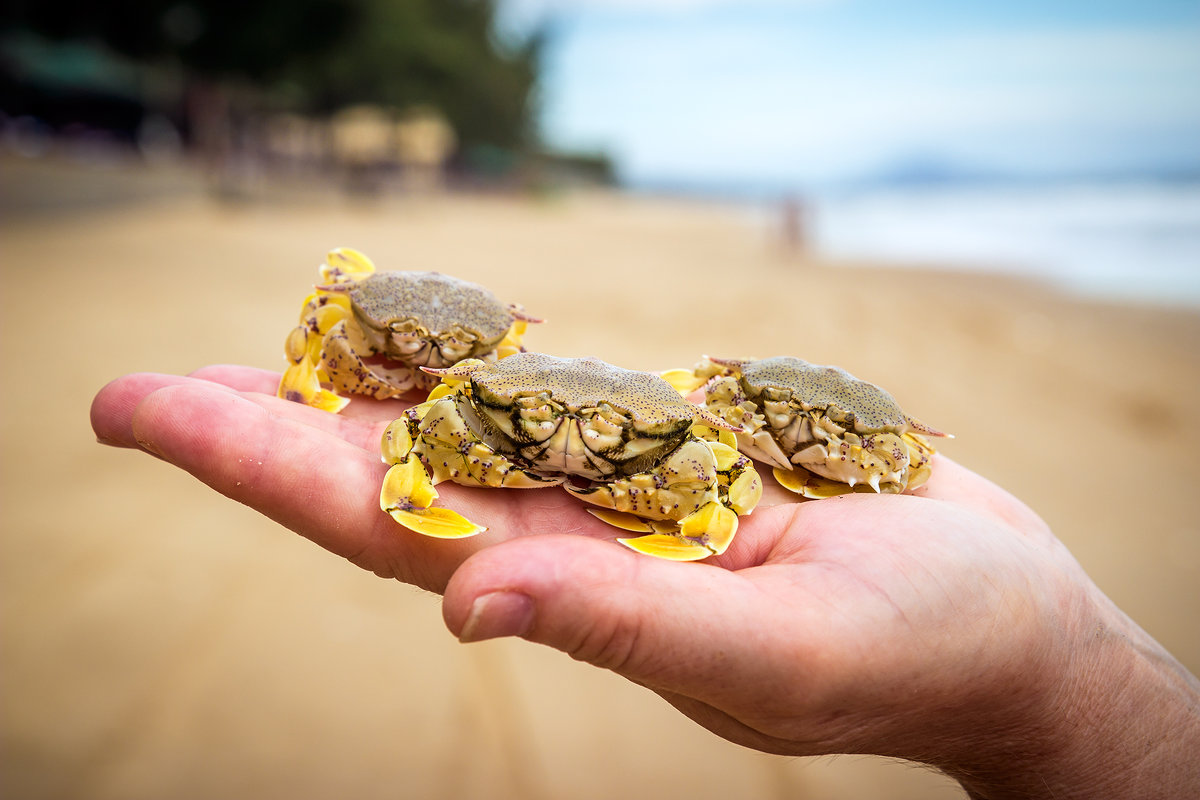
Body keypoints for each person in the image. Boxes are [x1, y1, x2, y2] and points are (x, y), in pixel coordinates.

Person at [91, 365, 1200, 799]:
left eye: (607, 429)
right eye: (542, 418)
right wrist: (444, 444)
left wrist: (1052, 669)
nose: (574, 441)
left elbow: (717, 467)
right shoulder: (477, 406)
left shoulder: (694, 444)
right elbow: (428, 422)